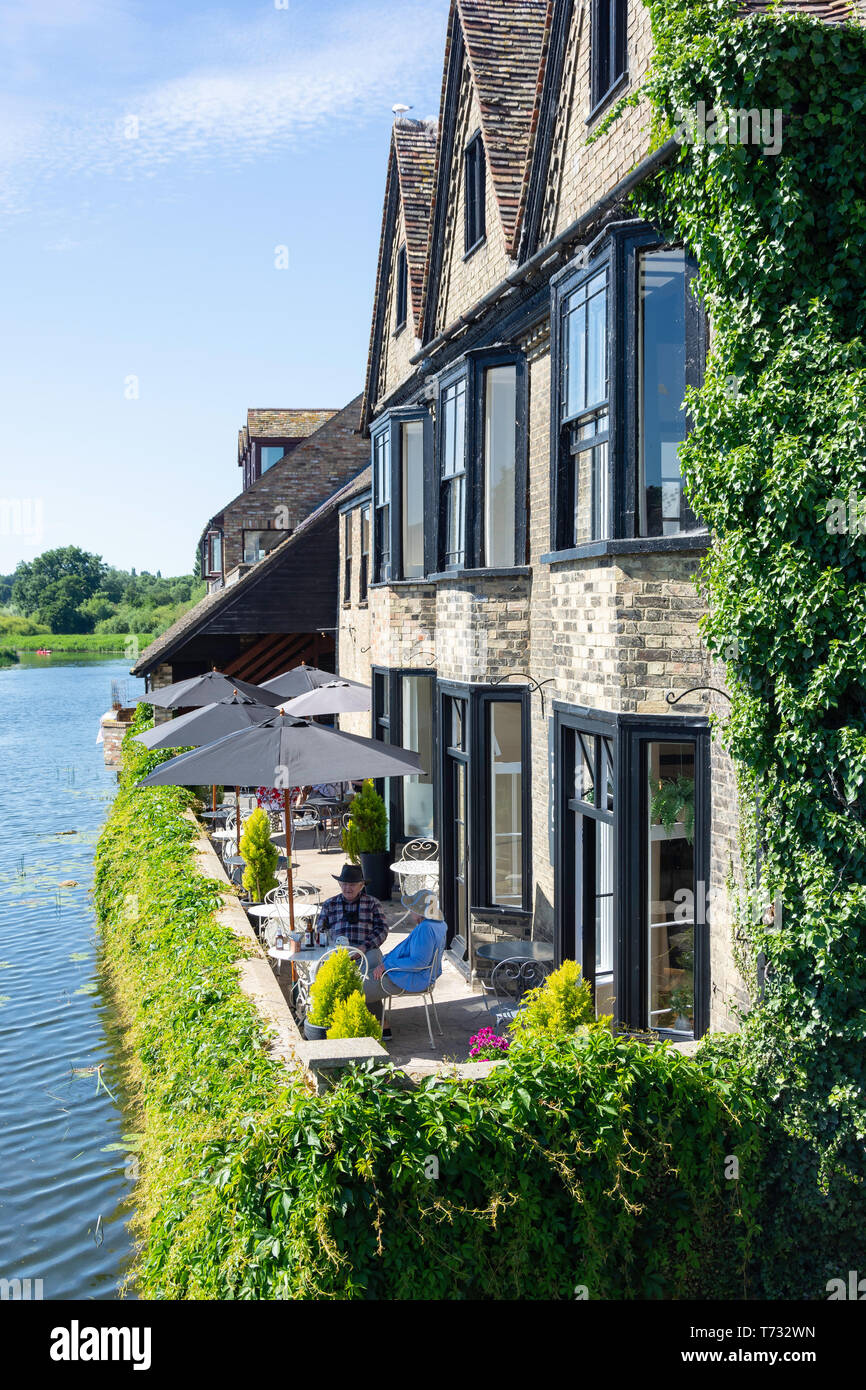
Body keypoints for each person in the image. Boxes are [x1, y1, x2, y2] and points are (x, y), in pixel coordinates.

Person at [371, 890, 447, 1038]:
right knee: (371, 971)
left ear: (419, 912)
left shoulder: (425, 928)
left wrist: (387, 965)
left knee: (362, 988)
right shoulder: (439, 924)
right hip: (422, 976)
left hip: (415, 979)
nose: (410, 912)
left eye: (412, 909)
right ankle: (381, 1024)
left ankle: (378, 1029)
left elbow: (418, 962)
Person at [314, 865, 389, 1011]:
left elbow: (382, 929)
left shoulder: (373, 902)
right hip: (337, 951)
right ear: (340, 884)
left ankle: (377, 1019)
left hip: (366, 950)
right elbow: (320, 929)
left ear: (361, 886)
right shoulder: (330, 903)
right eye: (345, 884)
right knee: (322, 973)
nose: (348, 888)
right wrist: (335, 948)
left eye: (353, 885)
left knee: (371, 976)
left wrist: (364, 947)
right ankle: (335, 1014)